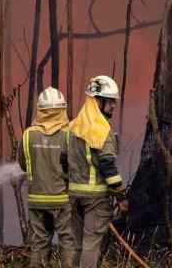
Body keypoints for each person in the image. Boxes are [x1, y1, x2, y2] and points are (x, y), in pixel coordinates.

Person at [67, 75, 127, 268]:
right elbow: (109, 167)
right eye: (109, 101)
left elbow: (62, 161)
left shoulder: (73, 127)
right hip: (96, 199)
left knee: (75, 244)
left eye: (114, 101)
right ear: (96, 101)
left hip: (73, 196)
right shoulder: (102, 130)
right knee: (91, 245)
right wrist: (121, 196)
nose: (113, 106)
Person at [19, 87, 75, 267]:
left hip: (36, 199)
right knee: (67, 240)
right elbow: (75, 166)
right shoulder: (68, 135)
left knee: (39, 243)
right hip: (62, 199)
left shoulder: (28, 135)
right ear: (62, 110)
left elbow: (23, 164)